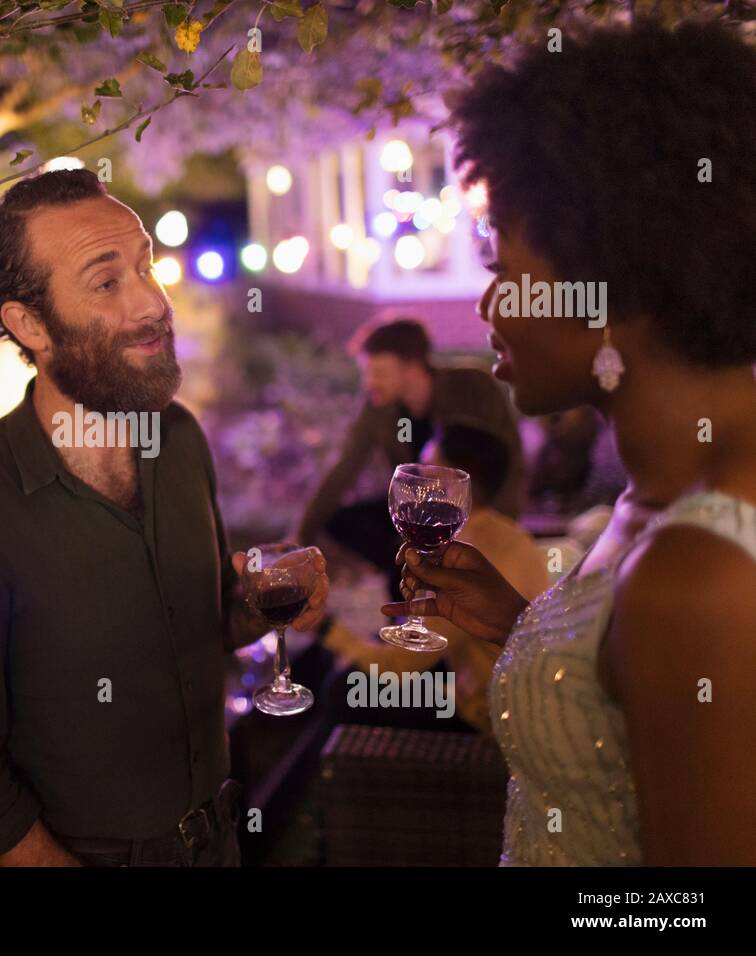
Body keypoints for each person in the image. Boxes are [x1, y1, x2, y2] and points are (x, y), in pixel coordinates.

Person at [382, 18, 756, 865]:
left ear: (608, 285)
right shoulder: (664, 487)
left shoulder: (699, 574)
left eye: (501, 272)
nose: (485, 311)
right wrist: (519, 629)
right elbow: (627, 712)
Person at [0, 168, 330, 867]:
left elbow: (202, 624)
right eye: (107, 283)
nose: (151, 304)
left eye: (146, 268)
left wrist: (262, 602)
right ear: (30, 324)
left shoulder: (181, 439)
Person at [323, 424, 550, 735]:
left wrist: (326, 629)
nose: (414, 489)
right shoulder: (506, 533)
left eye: (425, 475)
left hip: (490, 716)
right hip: (506, 696)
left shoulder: (468, 557)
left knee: (346, 688)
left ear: (452, 485)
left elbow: (397, 668)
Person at [297, 318, 523, 600]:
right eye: (366, 372)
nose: (369, 382)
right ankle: (407, 590)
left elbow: (500, 468)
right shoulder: (380, 406)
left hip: (474, 509)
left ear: (412, 366)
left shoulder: (470, 386)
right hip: (420, 509)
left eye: (378, 371)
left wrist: (497, 532)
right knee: (342, 521)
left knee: (413, 564)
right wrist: (300, 539)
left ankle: (413, 593)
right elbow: (345, 467)